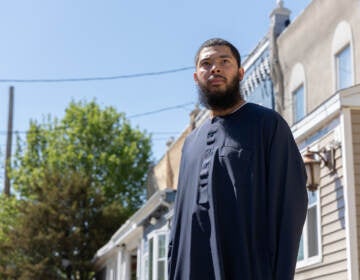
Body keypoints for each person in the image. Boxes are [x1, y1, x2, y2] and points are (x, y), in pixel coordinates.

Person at [167, 38, 308, 280]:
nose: (216, 68)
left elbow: (290, 207)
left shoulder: (267, 125)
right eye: (207, 63)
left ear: (241, 73)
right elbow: (179, 224)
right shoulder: (191, 144)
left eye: (225, 61)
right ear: (196, 77)